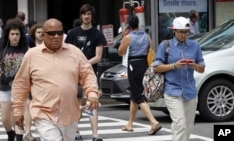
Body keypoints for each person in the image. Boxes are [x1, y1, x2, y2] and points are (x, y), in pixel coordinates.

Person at [11, 18, 100, 141]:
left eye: (59, 33)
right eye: (52, 33)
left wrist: (92, 94)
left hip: (69, 114)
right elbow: (21, 85)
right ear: (44, 35)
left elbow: (88, 75)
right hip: (43, 114)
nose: (56, 36)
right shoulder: (32, 55)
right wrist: (17, 111)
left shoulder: (74, 52)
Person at [153, 16, 205, 141]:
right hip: (172, 90)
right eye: (180, 32)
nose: (183, 35)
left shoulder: (195, 46)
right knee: (180, 124)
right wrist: (174, 65)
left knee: (187, 127)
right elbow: (156, 67)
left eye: (186, 32)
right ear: (174, 31)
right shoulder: (165, 46)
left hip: (190, 91)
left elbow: (202, 68)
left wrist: (195, 66)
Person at [65, 4, 107, 141]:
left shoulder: (98, 34)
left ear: (92, 16)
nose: (87, 16)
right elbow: (66, 53)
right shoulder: (72, 33)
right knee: (75, 104)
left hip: (89, 74)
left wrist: (83, 65)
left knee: (92, 102)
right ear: (81, 16)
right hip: (72, 75)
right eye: (84, 14)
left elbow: (98, 57)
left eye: (89, 14)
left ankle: (95, 135)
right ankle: (76, 131)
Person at [117, 15, 162, 135]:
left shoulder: (128, 37)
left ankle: (153, 122)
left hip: (134, 65)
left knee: (139, 96)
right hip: (144, 64)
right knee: (134, 94)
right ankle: (129, 124)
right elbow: (150, 50)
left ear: (128, 26)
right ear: (138, 24)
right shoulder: (147, 36)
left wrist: (123, 37)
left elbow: (121, 52)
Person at [0, 18, 29, 141]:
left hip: (21, 88)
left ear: (21, 35)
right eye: (12, 34)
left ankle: (19, 138)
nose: (15, 37)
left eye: (17, 34)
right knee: (5, 119)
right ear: (8, 34)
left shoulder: (26, 49)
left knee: (18, 116)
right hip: (5, 87)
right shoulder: (1, 48)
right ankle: (10, 134)